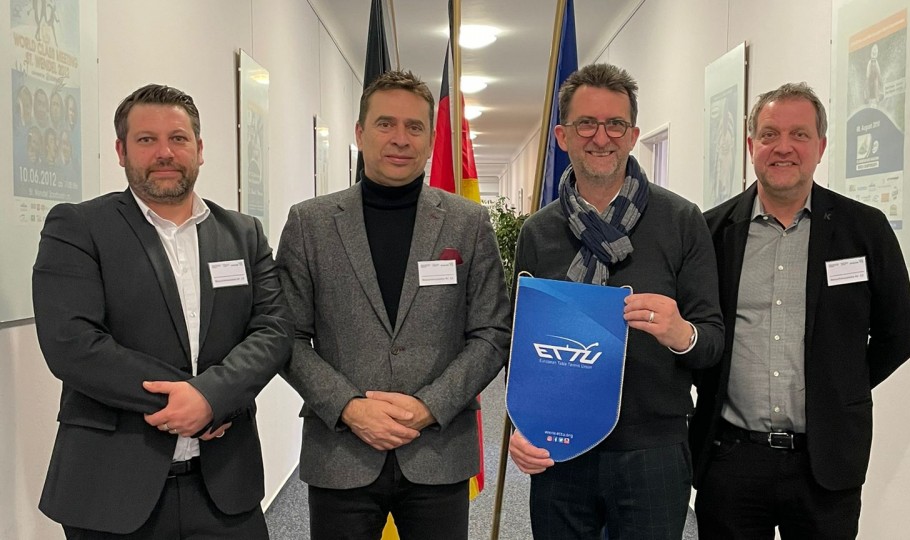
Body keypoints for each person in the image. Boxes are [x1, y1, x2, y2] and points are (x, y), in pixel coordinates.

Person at [33, 83, 293, 538]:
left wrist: (211, 397)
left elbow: (273, 329)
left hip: (225, 486)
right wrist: (195, 400)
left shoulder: (243, 234)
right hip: (111, 488)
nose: (164, 152)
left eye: (178, 138)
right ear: (121, 151)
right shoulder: (79, 227)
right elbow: (72, 344)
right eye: (146, 139)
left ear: (200, 149)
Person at [276, 69, 511, 540]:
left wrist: (428, 406)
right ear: (360, 133)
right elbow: (285, 335)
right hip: (341, 451)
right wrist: (349, 407)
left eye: (414, 127)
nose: (400, 139)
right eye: (385, 124)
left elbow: (493, 332)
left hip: (437, 449)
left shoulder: (468, 223)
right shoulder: (310, 223)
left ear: (430, 141)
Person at [507, 63, 724, 540]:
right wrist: (521, 426)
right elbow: (518, 346)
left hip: (653, 449)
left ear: (633, 135)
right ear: (563, 136)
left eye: (615, 124)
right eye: (586, 123)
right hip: (561, 445)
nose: (601, 137)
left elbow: (711, 341)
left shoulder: (681, 221)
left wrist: (680, 333)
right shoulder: (538, 233)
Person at [690, 82, 910, 539]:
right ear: (751, 145)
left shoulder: (865, 229)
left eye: (799, 134)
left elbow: (897, 336)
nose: (784, 147)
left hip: (826, 464)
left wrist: (838, 386)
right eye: (770, 134)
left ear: (821, 147)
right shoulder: (711, 232)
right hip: (731, 459)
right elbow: (698, 330)